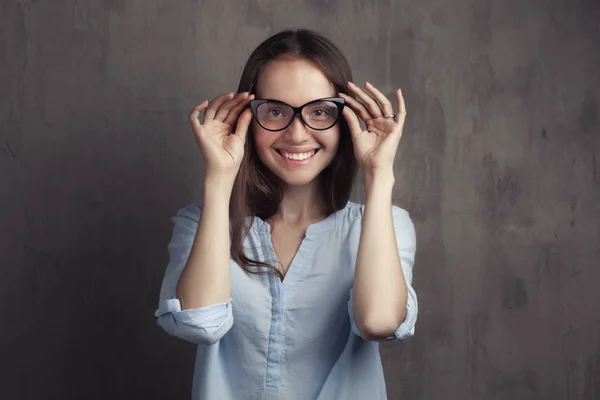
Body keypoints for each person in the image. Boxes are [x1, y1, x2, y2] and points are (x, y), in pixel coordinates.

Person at [155, 28, 418, 400]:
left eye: (320, 111)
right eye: (275, 111)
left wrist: (378, 174)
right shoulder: (199, 223)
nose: (297, 134)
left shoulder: (386, 225)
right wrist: (219, 177)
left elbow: (377, 321)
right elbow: (200, 323)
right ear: (247, 116)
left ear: (345, 121)